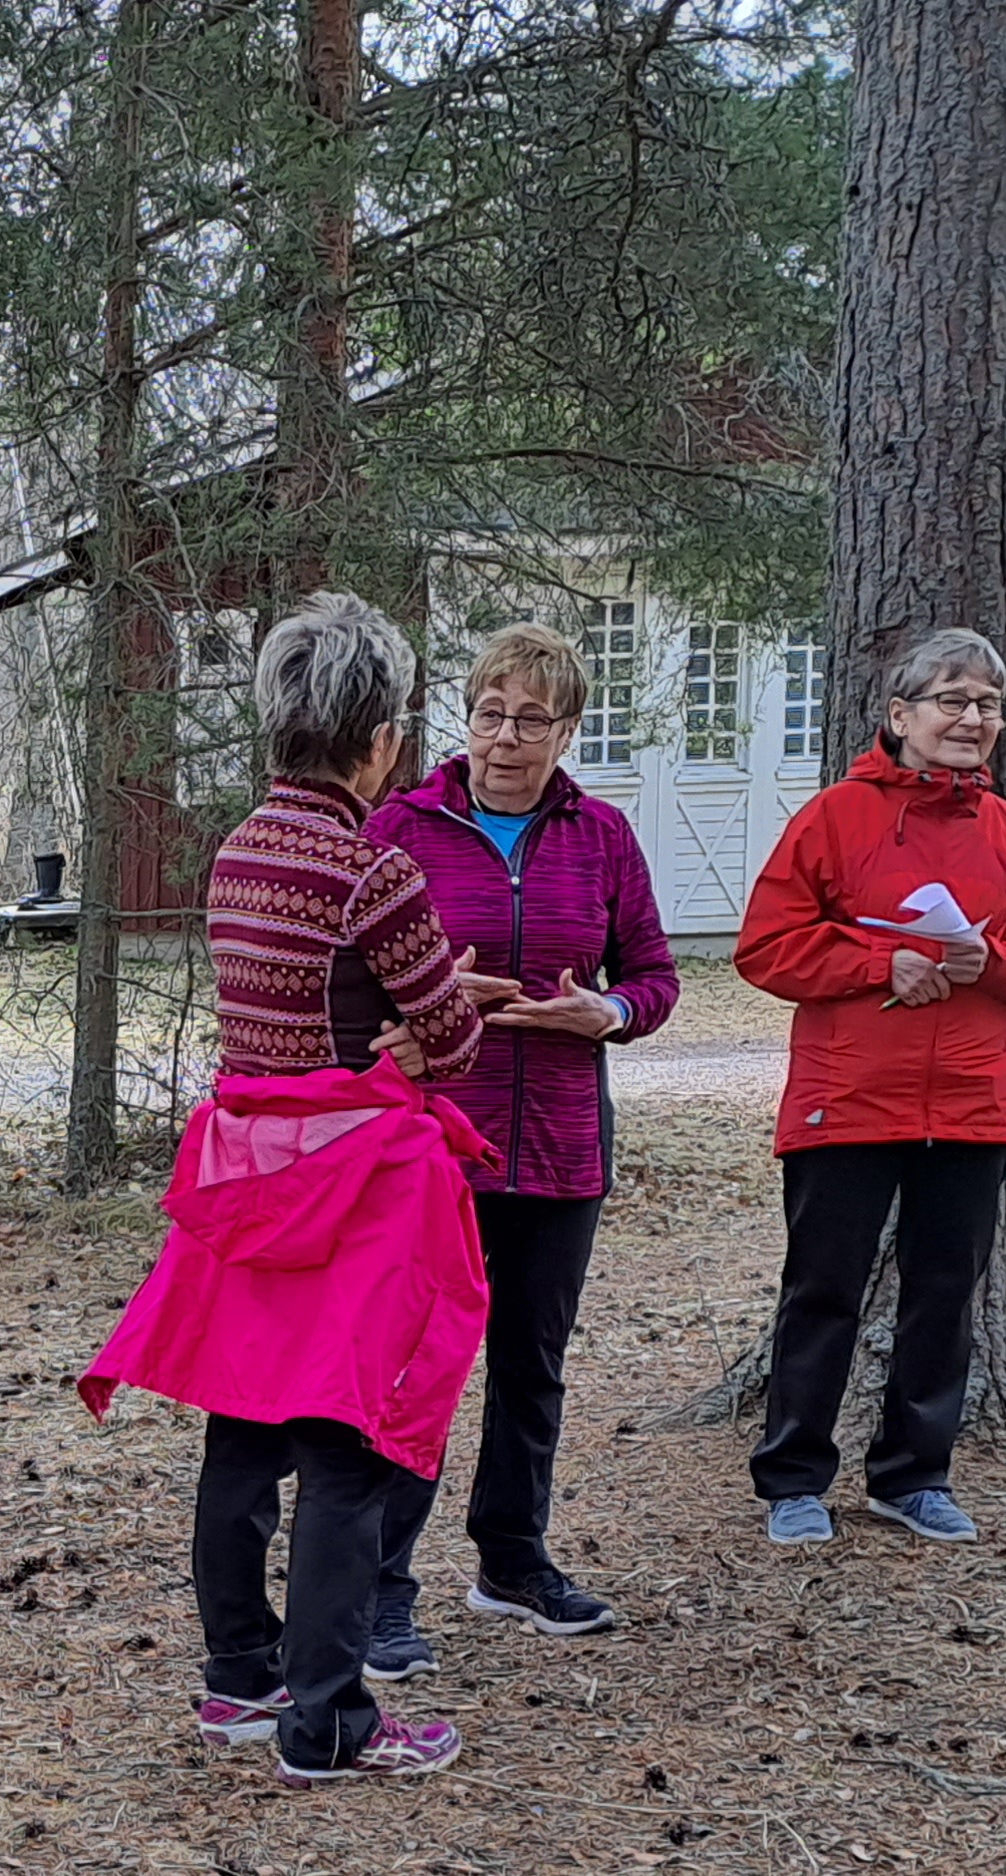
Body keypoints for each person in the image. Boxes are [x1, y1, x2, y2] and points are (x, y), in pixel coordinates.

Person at [123, 589, 487, 1786]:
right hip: (350, 1190)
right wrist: (428, 1018)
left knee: (242, 1424)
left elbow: (270, 1021)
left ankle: (240, 1679)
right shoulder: (367, 871)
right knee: (345, 1446)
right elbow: (451, 1033)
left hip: (246, 1177)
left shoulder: (236, 851)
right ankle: (326, 1719)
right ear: (377, 737)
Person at [358, 623, 679, 1661]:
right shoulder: (400, 827)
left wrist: (611, 1017)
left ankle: (512, 1560)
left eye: (531, 719)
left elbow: (654, 978)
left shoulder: (601, 838)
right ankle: (378, 1587)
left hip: (559, 1142)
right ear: (466, 718)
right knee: (414, 1369)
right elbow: (349, 980)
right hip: (431, 1145)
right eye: (490, 713)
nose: (505, 737)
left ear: (569, 730)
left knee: (530, 1364)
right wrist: (431, 996)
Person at [735, 627, 1006, 1546]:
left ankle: (913, 1474)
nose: (971, 720)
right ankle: (793, 1479)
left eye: (987, 706)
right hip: (847, 1095)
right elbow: (765, 947)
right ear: (900, 716)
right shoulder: (834, 818)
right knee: (824, 1291)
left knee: (945, 1294)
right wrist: (878, 961)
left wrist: (989, 959)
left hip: (972, 1102)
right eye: (951, 701)